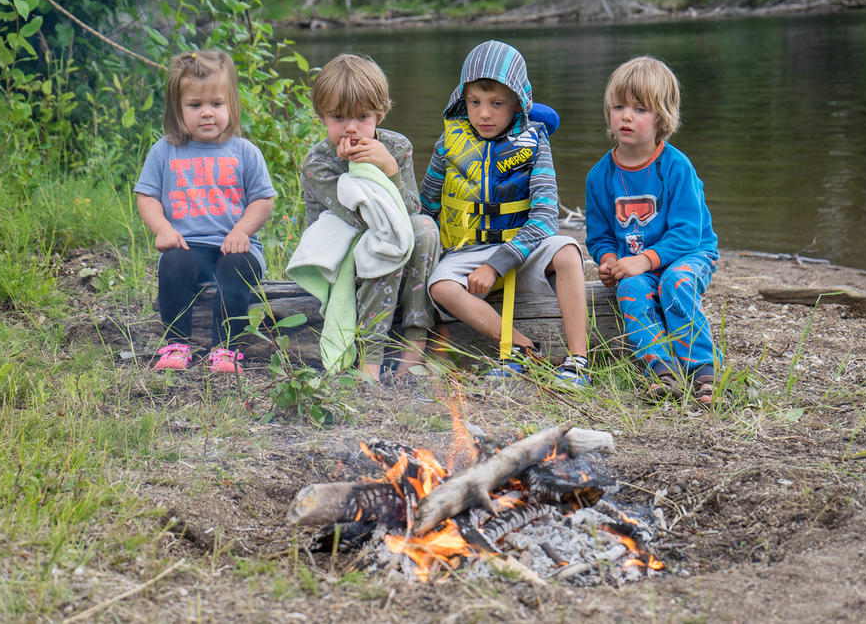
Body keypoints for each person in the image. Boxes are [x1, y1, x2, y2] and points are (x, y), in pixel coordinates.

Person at [419, 40, 589, 386]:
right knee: (440, 286)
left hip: (523, 247)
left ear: (518, 103)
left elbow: (544, 218)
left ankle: (578, 360)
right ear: (461, 99)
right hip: (468, 251)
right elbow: (427, 208)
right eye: (474, 102)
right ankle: (520, 349)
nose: (484, 114)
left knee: (569, 251)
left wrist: (499, 261)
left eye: (497, 104)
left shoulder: (535, 142)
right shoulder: (446, 145)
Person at [289, 53, 440, 382]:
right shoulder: (318, 162)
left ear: (380, 114)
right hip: (336, 244)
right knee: (379, 241)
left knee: (426, 229)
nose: (352, 128)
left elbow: (411, 212)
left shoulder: (397, 147)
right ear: (322, 116)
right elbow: (364, 220)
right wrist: (362, 169)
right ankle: (369, 359)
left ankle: (414, 343)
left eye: (362, 116)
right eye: (339, 117)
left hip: (386, 233)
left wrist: (390, 169)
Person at [584, 55, 720, 404]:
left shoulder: (676, 167)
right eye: (618, 107)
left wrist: (644, 260)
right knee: (630, 287)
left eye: (640, 108)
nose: (626, 116)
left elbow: (689, 232)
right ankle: (660, 369)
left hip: (691, 253)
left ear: (662, 117)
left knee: (675, 283)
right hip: (636, 262)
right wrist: (611, 260)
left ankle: (702, 369)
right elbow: (599, 235)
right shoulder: (600, 176)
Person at [135, 50, 276, 373]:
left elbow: (262, 201)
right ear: (177, 109)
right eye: (195, 105)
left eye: (217, 104)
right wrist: (162, 229)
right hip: (187, 244)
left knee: (236, 270)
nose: (207, 113)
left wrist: (242, 231)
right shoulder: (165, 151)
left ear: (231, 105)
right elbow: (147, 197)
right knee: (173, 265)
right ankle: (176, 344)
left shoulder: (244, 152)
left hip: (235, 245)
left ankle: (226, 349)